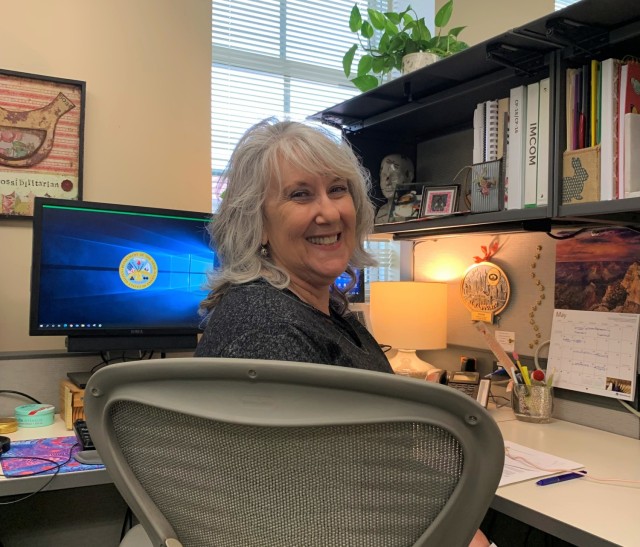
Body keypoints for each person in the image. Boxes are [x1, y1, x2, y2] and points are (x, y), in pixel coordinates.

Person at [194, 118, 492, 547]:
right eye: (300, 194)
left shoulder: (323, 307)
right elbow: (322, 505)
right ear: (256, 223)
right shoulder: (267, 329)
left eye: (338, 189)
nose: (330, 211)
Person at [374, 153, 415, 223]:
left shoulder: (414, 209)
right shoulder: (381, 211)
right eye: (383, 176)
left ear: (409, 177)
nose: (387, 182)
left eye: (394, 176)